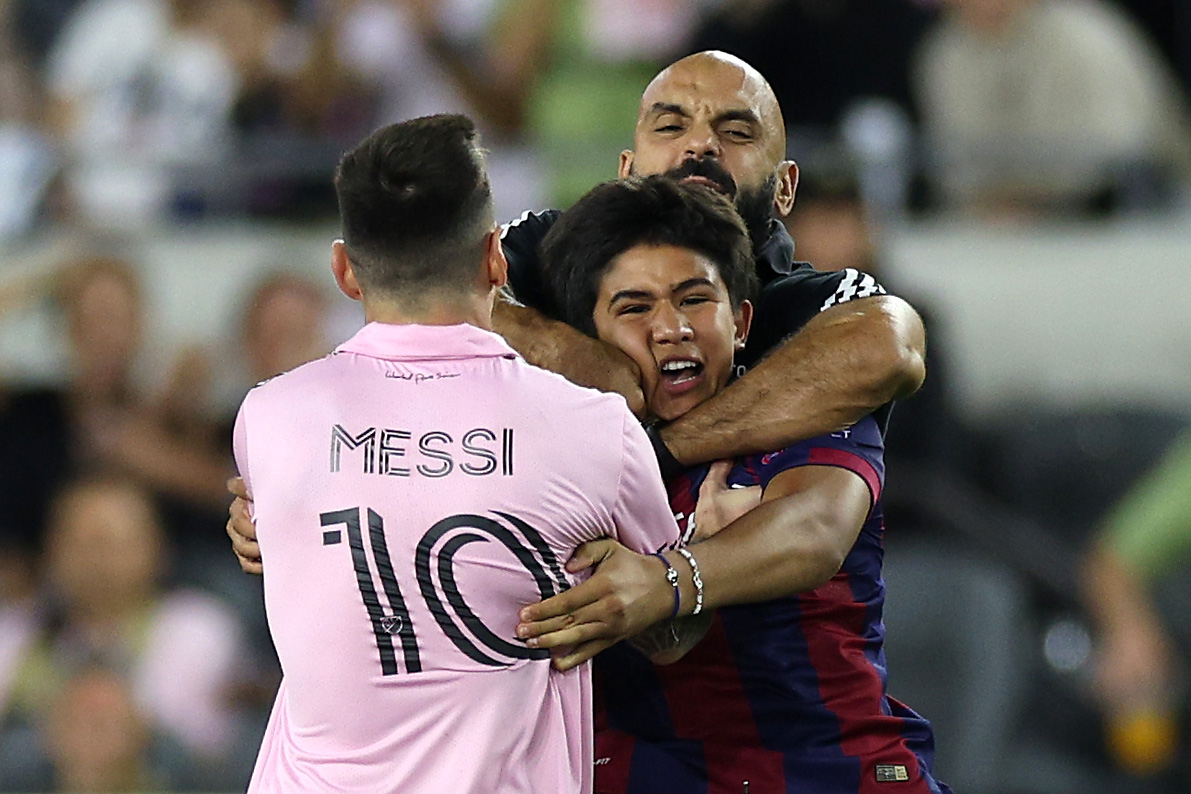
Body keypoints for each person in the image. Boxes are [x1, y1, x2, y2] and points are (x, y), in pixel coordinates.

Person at [232, 114, 684, 794]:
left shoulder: (268, 417)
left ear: (344, 270)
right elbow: (672, 632)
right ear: (495, 258)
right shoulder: (596, 430)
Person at [519, 173, 949, 794]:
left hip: (829, 770)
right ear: (590, 339)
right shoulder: (553, 452)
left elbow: (815, 531)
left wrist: (674, 575)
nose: (672, 328)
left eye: (695, 299)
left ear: (742, 320)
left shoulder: (805, 406)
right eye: (635, 308)